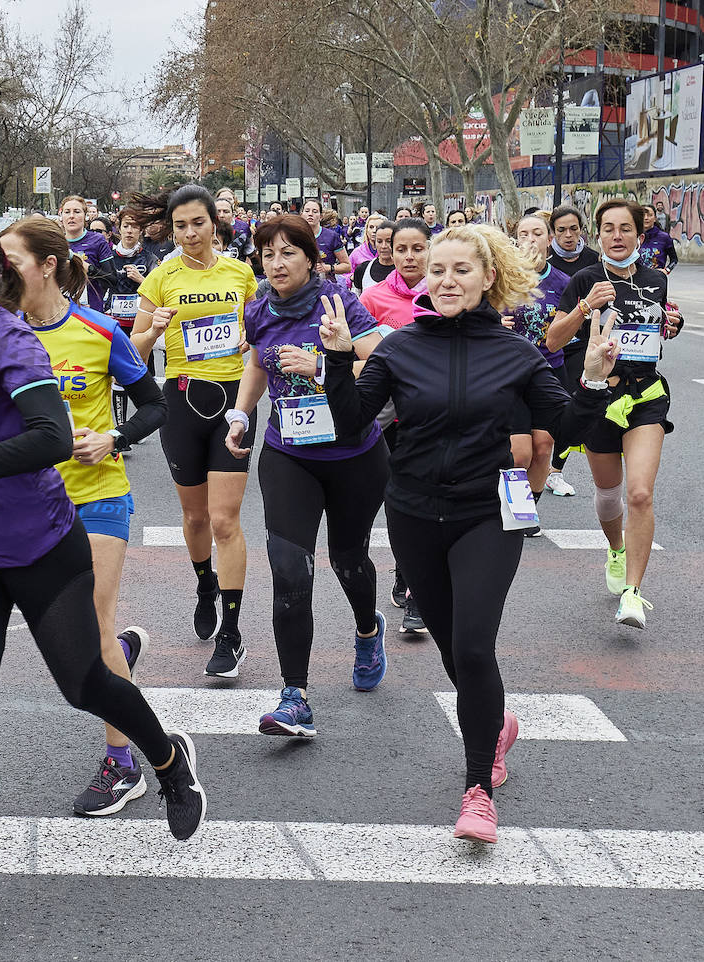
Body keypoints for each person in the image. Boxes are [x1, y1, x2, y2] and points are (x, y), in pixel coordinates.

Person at [0, 209, 205, 938]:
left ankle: (167, 758)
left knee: (83, 682)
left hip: (39, 547)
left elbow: (52, 438)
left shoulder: (13, 343)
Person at [319, 223, 618, 843]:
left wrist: (588, 378)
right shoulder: (401, 348)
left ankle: (477, 788)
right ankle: (497, 723)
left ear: (488, 279)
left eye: (461, 270)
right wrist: (338, 356)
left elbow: (560, 429)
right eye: (437, 269)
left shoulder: (517, 354)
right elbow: (349, 425)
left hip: (489, 512)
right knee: (454, 650)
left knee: (474, 646)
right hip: (412, 512)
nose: (447, 280)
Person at [0, 215, 169, 816]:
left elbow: (153, 404)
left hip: (97, 494)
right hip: (31, 503)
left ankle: (122, 765)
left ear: (47, 265)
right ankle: (117, 650)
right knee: (71, 635)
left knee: (92, 628)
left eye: (10, 260)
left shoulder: (97, 331)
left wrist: (114, 438)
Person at [226, 216, 390, 739]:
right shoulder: (258, 308)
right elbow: (257, 364)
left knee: (347, 559)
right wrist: (242, 413)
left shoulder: (339, 302)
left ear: (310, 257)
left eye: (287, 253)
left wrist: (322, 365)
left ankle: (368, 628)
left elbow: (381, 365)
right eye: (267, 254)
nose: (276, 263)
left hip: (353, 454)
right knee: (290, 570)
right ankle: (294, 695)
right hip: (288, 453)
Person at [129, 184, 260, 678]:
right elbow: (133, 356)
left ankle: (231, 631)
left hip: (233, 402)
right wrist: (153, 330)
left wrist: (251, 336)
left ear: (214, 224)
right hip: (182, 401)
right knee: (196, 518)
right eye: (180, 225)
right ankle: (205, 582)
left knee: (226, 521)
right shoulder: (160, 278)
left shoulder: (241, 273)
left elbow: (259, 332)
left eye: (198, 224)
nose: (189, 234)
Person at [547, 199, 684, 628]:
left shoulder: (655, 279)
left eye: (626, 229)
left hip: (646, 395)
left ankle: (633, 592)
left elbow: (661, 323)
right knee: (609, 493)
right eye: (608, 229)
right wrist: (585, 306)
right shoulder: (585, 278)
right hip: (601, 398)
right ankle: (616, 548)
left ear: (639, 238)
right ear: (598, 235)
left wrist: (670, 324)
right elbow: (553, 340)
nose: (617, 236)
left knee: (640, 493)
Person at [358, 217, 431, 631]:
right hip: (383, 416)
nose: (407, 256)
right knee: (394, 498)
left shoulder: (444, 294)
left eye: (417, 248)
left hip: (427, 416)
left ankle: (417, 593)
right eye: (400, 249)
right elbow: (354, 356)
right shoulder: (373, 298)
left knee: (421, 498)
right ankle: (405, 573)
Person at [507, 214, 573, 536]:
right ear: (516, 240)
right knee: (520, 450)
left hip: (549, 370)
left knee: (544, 445)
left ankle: (528, 507)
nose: (531, 239)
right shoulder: (504, 278)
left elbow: (574, 327)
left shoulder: (563, 282)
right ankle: (512, 506)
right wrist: (495, 321)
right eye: (524, 233)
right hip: (510, 373)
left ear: (550, 239)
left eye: (537, 233)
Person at [544, 204, 598, 497]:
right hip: (544, 347)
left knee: (568, 407)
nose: (568, 235)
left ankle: (555, 470)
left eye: (573, 229)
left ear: (581, 230)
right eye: (561, 230)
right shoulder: (545, 260)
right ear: (552, 232)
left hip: (579, 346)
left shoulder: (594, 261)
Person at [109, 208, 162, 421]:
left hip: (141, 323)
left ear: (141, 230)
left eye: (135, 227)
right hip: (115, 322)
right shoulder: (109, 256)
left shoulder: (149, 258)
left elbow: (158, 289)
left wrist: (142, 279)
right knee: (117, 374)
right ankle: (122, 423)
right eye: (126, 226)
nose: (130, 231)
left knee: (144, 373)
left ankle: (142, 422)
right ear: (119, 228)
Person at [61, 194, 117, 312]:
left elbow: (112, 279)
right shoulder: (56, 242)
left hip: (91, 313)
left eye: (77, 212)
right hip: (62, 313)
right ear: (61, 216)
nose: (71, 216)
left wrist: (89, 268)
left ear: (85, 216)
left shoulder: (97, 240)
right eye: (67, 212)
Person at [302, 199, 352, 283]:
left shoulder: (331, 236)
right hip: (300, 288)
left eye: (315, 211)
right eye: (307, 211)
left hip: (326, 286)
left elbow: (347, 266)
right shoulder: (294, 236)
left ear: (321, 216)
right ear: (302, 214)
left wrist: (329, 268)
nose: (310, 214)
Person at [353, 219, 397, 293]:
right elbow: (356, 299)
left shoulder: (404, 271)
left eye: (388, 241)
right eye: (379, 241)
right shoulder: (362, 269)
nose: (383, 246)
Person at [639, 205, 678, 274]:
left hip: (657, 279)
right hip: (637, 280)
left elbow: (674, 259)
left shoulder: (664, 237)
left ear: (655, 218)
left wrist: (667, 270)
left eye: (650, 215)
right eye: (642, 215)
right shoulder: (633, 236)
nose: (646, 218)